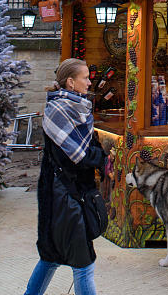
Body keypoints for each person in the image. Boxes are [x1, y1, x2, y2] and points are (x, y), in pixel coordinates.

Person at [22, 58, 106, 295]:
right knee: (83, 264)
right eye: (85, 78)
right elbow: (79, 156)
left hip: (66, 194)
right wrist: (99, 156)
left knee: (51, 257)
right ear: (70, 82)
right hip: (64, 197)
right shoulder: (58, 111)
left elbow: (87, 148)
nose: (89, 82)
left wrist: (96, 153)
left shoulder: (78, 108)